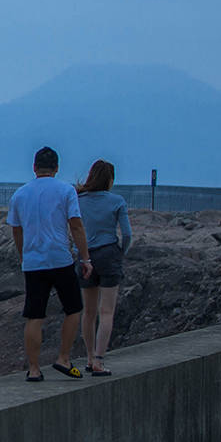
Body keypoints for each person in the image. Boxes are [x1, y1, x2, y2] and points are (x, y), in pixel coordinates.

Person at [7, 146, 94, 382]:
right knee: (73, 308)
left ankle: (34, 369)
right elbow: (76, 226)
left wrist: (23, 255)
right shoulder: (66, 191)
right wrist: (85, 258)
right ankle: (63, 358)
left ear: (34, 167)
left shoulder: (20, 194)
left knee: (35, 316)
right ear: (56, 168)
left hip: (33, 262)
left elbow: (16, 230)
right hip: (60, 259)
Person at [75, 159, 132, 376]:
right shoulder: (117, 201)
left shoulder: (79, 200)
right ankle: (99, 359)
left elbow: (73, 228)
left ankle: (89, 358)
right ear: (110, 180)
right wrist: (121, 252)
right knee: (106, 311)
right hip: (109, 254)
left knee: (88, 312)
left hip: (86, 256)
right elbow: (127, 234)